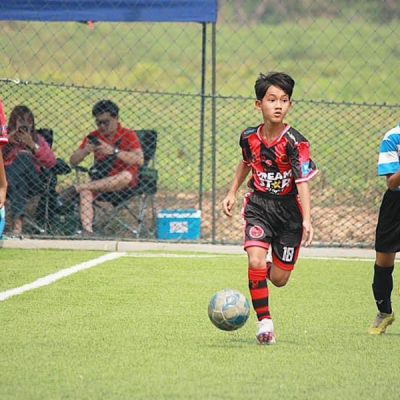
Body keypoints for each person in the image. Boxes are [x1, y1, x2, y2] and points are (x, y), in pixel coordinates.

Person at [222, 72, 318, 345]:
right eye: (272, 99)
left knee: (279, 279)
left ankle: (261, 272)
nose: (278, 106)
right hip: (259, 206)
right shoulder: (248, 137)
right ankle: (265, 324)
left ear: (290, 105)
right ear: (259, 104)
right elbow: (246, 162)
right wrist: (232, 192)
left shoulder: (295, 142)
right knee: (254, 260)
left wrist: (307, 219)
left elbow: (302, 182)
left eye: (284, 100)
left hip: (289, 214)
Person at [66, 99, 144, 236]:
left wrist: (113, 151)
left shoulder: (128, 134)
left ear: (116, 118)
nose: (102, 126)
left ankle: (77, 187)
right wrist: (85, 150)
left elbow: (139, 159)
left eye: (106, 122)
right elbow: (73, 161)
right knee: (86, 192)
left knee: (126, 176)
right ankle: (87, 232)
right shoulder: (94, 136)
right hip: (101, 182)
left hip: (124, 185)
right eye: (98, 123)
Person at [3, 105, 57, 236]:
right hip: (10, 183)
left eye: (29, 121)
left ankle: (16, 222)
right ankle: (18, 224)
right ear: (13, 122)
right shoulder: (5, 138)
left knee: (24, 157)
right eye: (21, 121)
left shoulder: (38, 139)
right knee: (20, 182)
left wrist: (33, 145)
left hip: (33, 182)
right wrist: (7, 141)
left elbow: (51, 162)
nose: (26, 124)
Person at [368, 123, 400, 335]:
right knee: (383, 262)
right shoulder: (393, 137)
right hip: (396, 203)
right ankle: (384, 312)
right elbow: (392, 183)